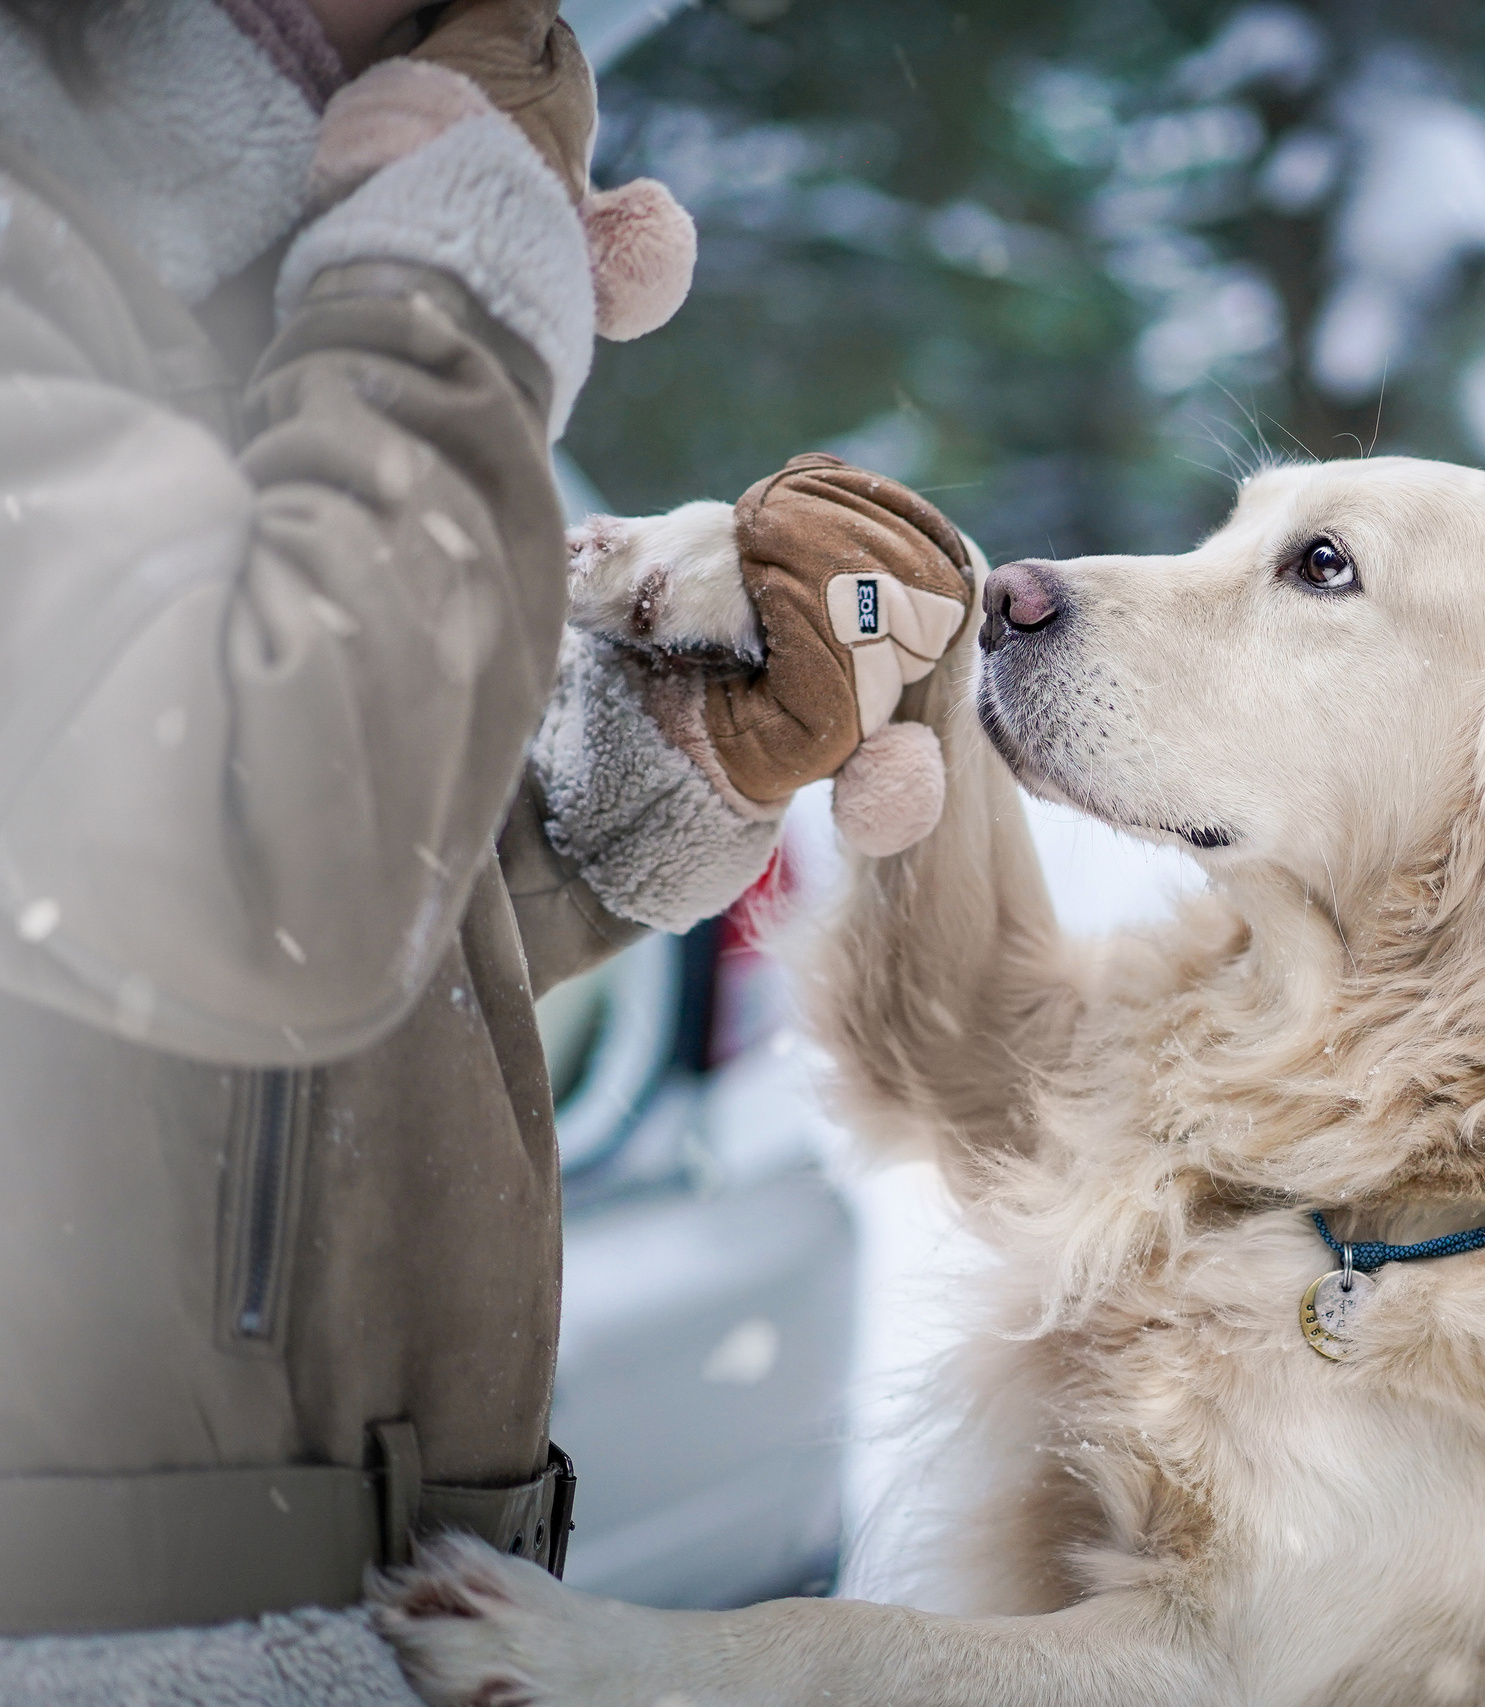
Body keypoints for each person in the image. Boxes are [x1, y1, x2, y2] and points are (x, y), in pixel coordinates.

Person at [0, 0, 973, 1694]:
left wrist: (659, 766)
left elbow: (283, 988)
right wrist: (448, 252)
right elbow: (268, 873)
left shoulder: (226, 285)